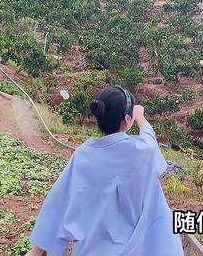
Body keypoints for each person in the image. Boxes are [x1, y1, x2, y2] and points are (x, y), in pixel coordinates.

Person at [26, 87, 183, 256]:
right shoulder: (141, 151)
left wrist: (38, 249)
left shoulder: (83, 155)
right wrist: (141, 117)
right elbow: (150, 141)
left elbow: (59, 201)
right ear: (127, 119)